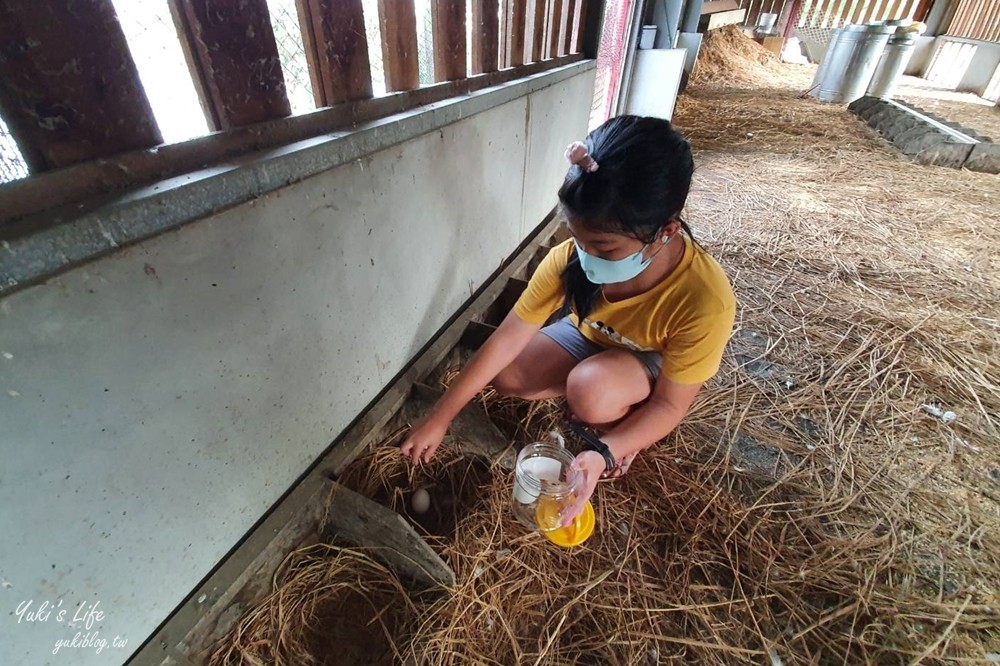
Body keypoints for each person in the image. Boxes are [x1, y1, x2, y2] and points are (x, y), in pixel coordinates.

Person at [401, 115, 736, 525]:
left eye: (605, 248)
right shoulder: (569, 260)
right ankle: (593, 390)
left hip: (649, 362)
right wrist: (441, 416)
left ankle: (620, 417)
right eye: (577, 239)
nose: (586, 256)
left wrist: (606, 450)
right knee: (507, 375)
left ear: (665, 231)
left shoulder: (704, 299)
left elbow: (671, 403)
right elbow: (507, 338)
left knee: (590, 390)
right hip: (593, 338)